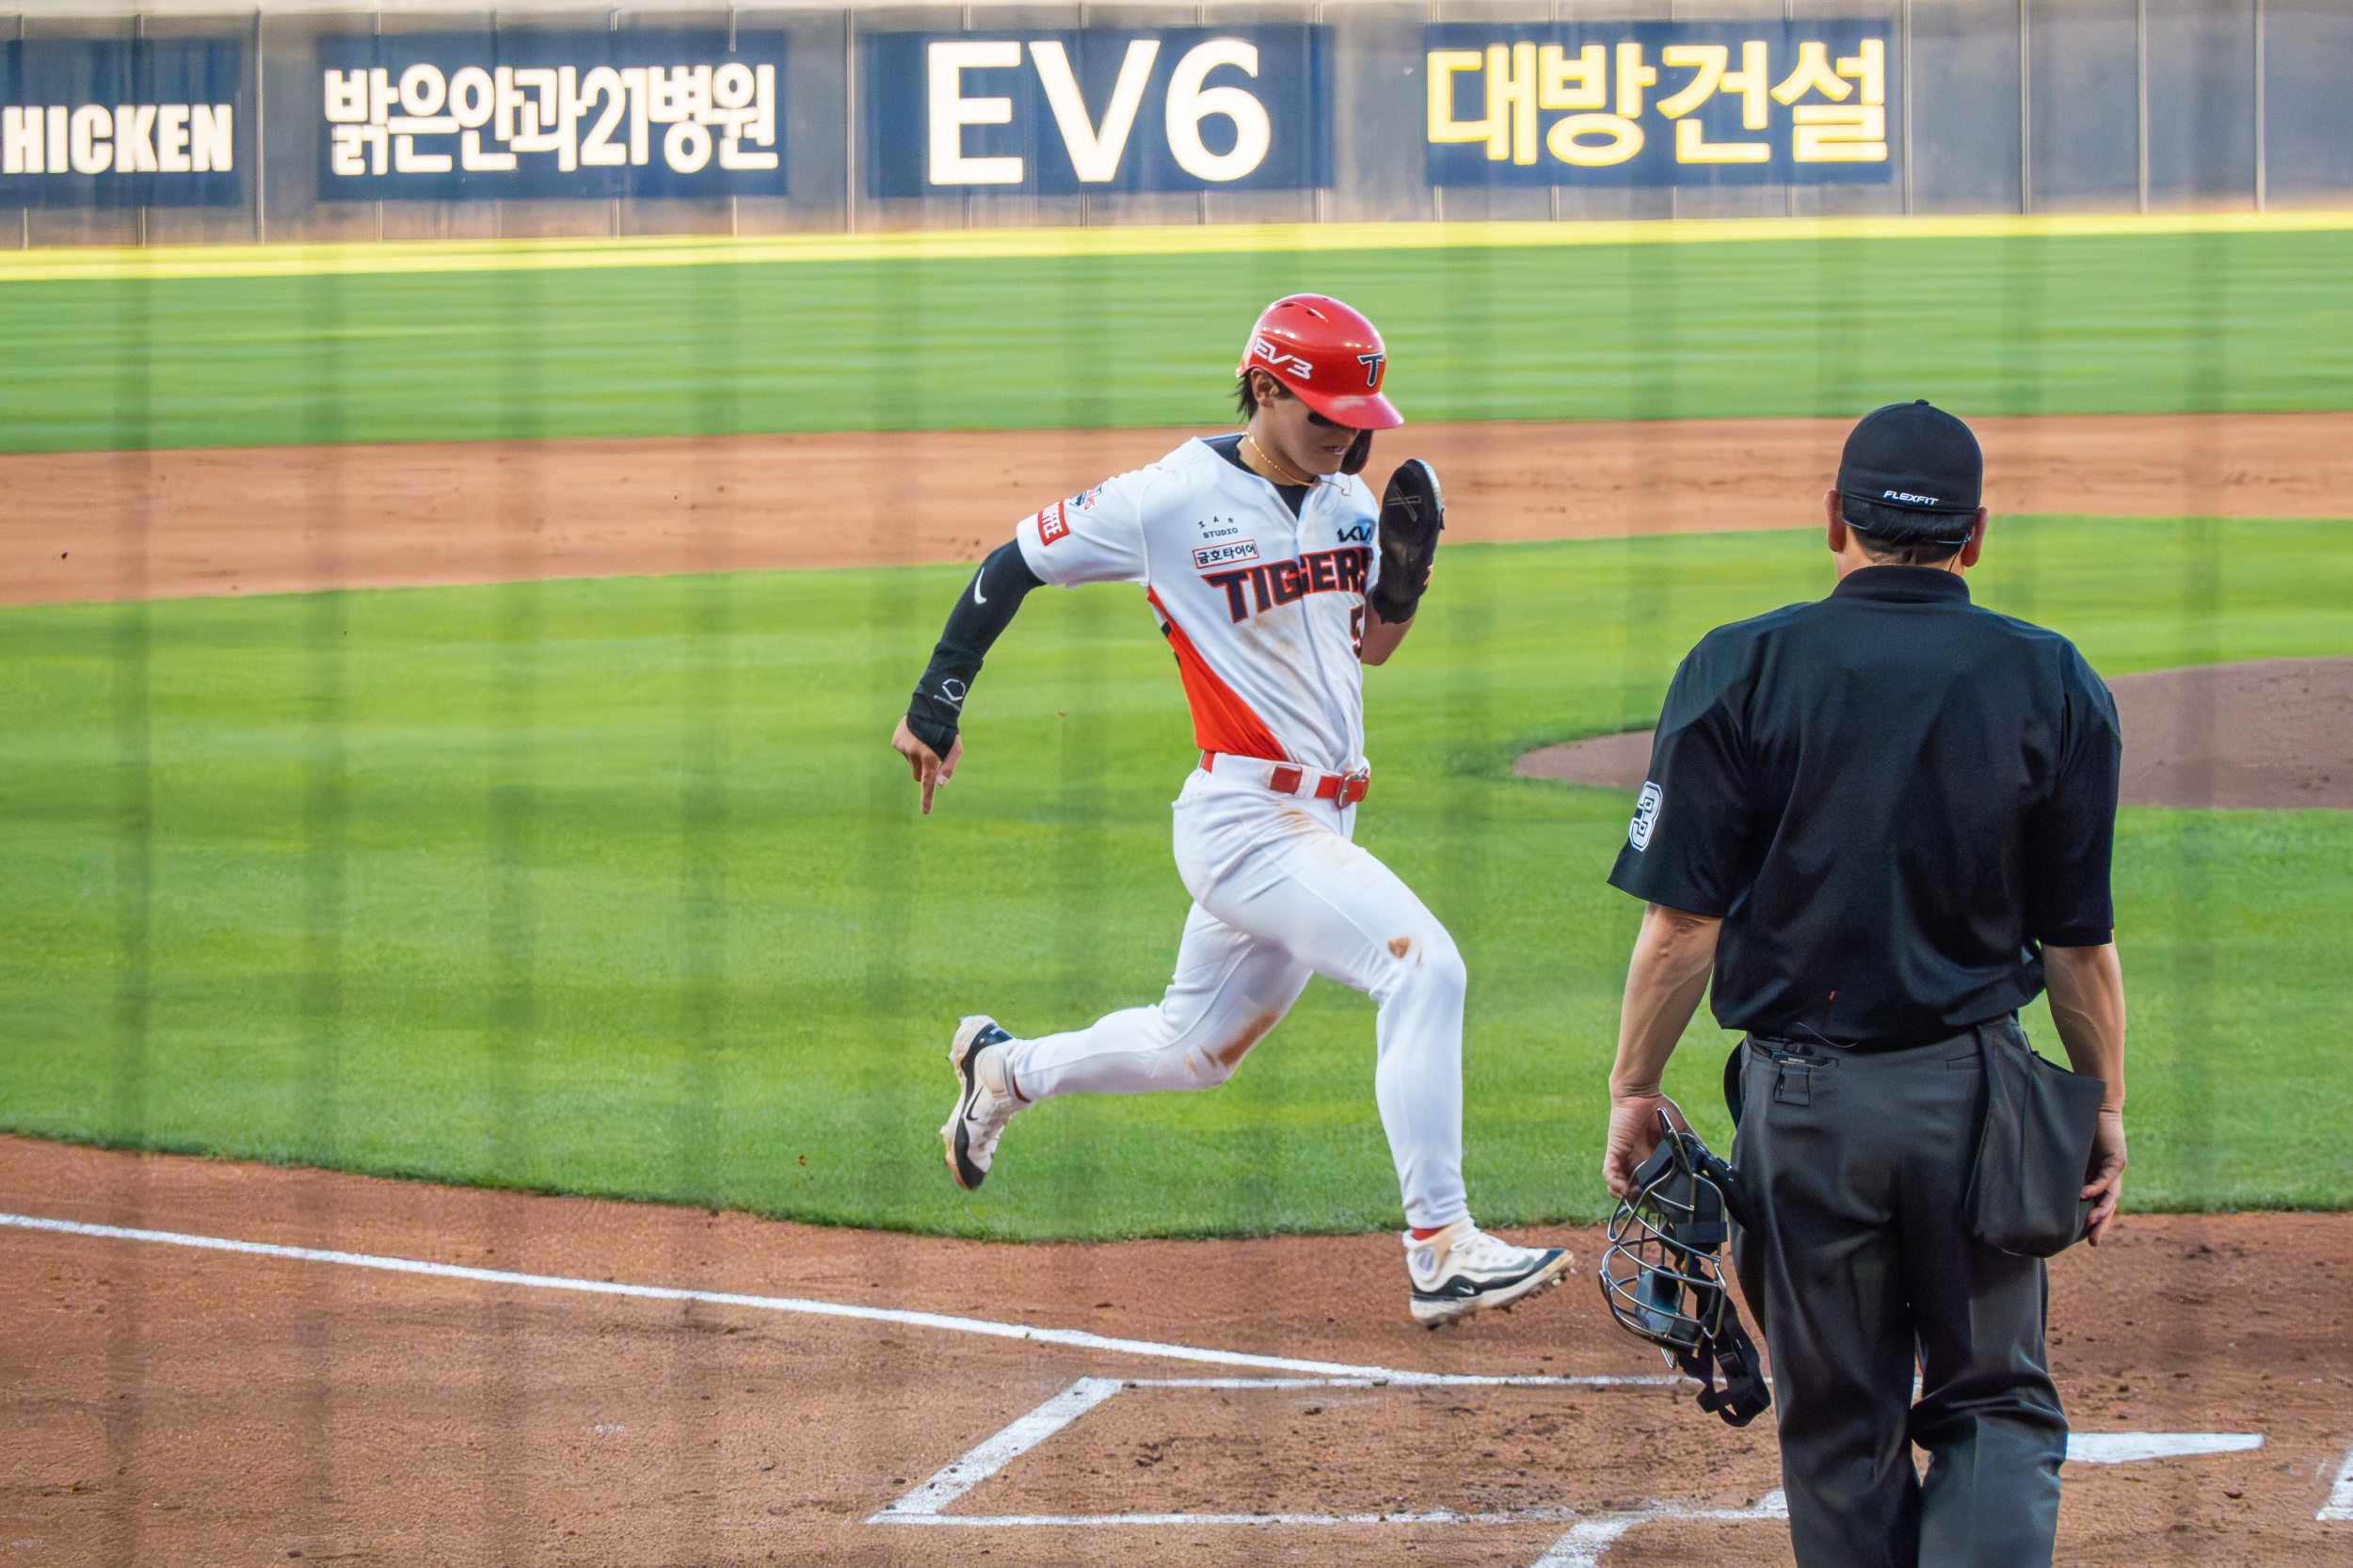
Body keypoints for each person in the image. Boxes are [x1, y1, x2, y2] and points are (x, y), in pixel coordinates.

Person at [889, 295, 1572, 1326]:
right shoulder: (1166, 498)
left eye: (1360, 418)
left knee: (1194, 1049)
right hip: (1244, 822)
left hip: (1322, 824)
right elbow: (1012, 562)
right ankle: (1440, 1247)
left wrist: (1401, 586)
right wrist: (935, 703)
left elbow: (1368, 649)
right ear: (1263, 388)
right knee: (1422, 966)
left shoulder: (1349, 502)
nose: (1346, 436)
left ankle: (1003, 1071)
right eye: (1326, 414)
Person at [1598, 401, 2129, 1566]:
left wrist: (1634, 1088)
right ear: (1974, 535)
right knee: (1994, 1403)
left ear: (1834, 518)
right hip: (1979, 1104)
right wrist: (2103, 1105)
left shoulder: (1738, 666)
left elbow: (1680, 927)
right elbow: (2079, 947)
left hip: (1804, 1112)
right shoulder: (2050, 678)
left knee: (1839, 1424)